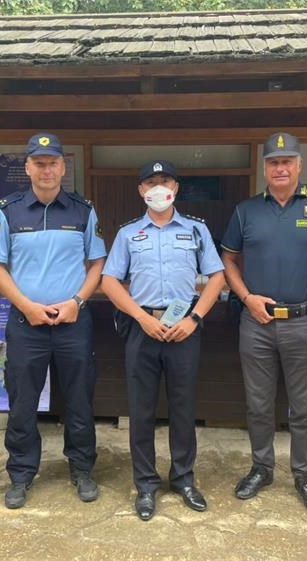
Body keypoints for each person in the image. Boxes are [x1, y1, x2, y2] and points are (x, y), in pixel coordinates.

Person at [221, 132, 307, 515]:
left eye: (287, 161)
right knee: (258, 404)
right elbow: (228, 259)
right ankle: (261, 469)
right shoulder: (246, 211)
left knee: (303, 408)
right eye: (273, 162)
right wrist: (246, 297)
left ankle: (304, 476)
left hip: (304, 321)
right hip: (257, 322)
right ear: (265, 168)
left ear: (299, 165)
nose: (280, 168)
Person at [0, 132, 106, 509]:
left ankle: (82, 469)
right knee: (22, 402)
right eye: (39, 163)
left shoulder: (83, 210)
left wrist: (77, 301)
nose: (46, 169)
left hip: (73, 322)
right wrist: (26, 306)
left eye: (52, 162)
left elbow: (97, 263)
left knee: (80, 400)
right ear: (28, 167)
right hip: (26, 324)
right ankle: (21, 474)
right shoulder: (8, 210)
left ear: (63, 167)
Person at [101, 160, 225, 521]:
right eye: (151, 182)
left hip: (184, 328)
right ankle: (145, 484)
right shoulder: (128, 233)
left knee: (183, 408)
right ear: (141, 190)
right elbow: (109, 281)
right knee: (141, 410)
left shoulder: (196, 230)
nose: (158, 187)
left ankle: (184, 479)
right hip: (142, 328)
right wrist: (140, 318)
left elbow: (217, 277)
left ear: (176, 188)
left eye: (165, 181)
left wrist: (194, 318)